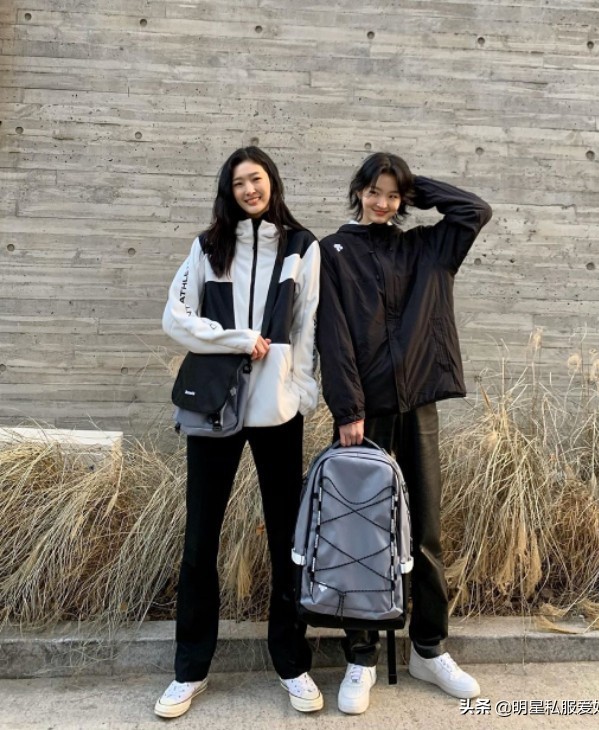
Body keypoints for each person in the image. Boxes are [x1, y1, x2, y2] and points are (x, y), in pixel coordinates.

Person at [316, 151, 492, 715]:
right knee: (361, 533)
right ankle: (361, 655)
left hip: (419, 407)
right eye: (375, 192)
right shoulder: (332, 252)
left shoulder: (426, 248)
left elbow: (474, 211)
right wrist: (348, 409)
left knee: (427, 532)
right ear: (358, 192)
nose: (383, 203)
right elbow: (332, 336)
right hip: (364, 415)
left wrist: (416, 186)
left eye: (393, 195)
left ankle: (428, 648)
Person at [156, 147, 323, 718]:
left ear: (272, 181)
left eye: (257, 179)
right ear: (228, 192)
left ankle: (292, 662)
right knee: (200, 538)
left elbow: (307, 325)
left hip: (277, 410)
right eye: (238, 183)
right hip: (214, 408)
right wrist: (236, 339)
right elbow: (175, 318)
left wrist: (301, 393)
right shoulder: (208, 247)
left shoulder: (301, 247)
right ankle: (189, 670)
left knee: (286, 540)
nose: (249, 189)